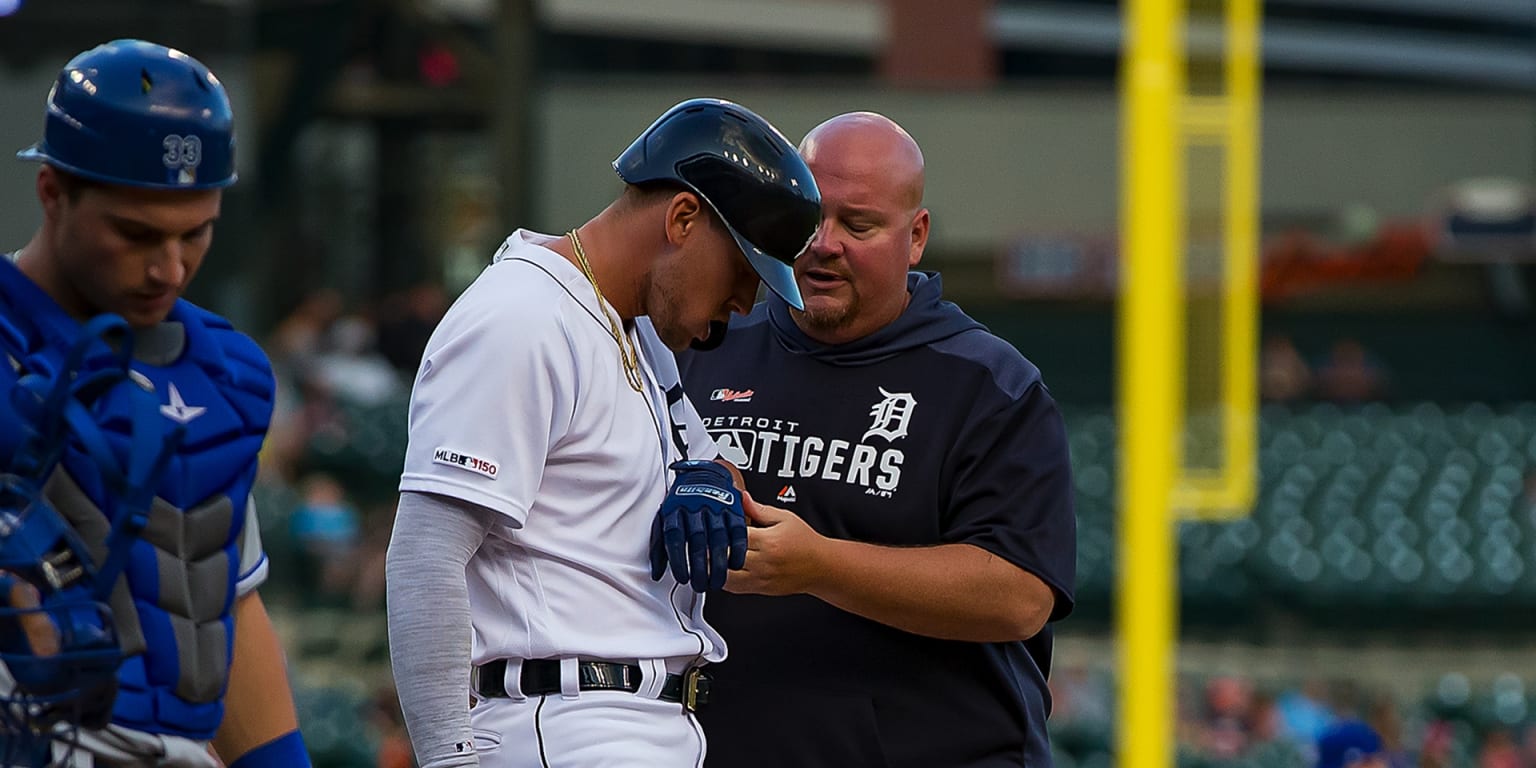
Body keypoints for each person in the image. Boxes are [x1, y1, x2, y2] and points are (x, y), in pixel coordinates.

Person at [385, 97, 820, 767]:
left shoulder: (635, 329)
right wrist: (448, 760)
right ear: (683, 218)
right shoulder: (522, 319)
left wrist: (710, 481)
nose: (742, 305)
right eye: (742, 273)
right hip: (562, 719)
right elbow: (425, 558)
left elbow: (709, 466)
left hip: (637, 723)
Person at [677, 112, 1077, 768]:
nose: (822, 244)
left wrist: (819, 566)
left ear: (915, 237)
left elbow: (1019, 596)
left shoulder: (989, 383)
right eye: (806, 217)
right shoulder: (708, 341)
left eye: (858, 225)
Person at [0, 40, 309, 767]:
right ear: (53, 192)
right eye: (135, 234)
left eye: (195, 232)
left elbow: (220, 593)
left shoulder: (223, 372)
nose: (169, 267)